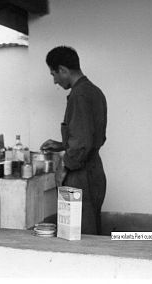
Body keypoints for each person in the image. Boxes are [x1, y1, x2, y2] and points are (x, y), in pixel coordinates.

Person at [41, 46, 107, 235]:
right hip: (94, 170)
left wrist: (63, 166)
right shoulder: (94, 91)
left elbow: (81, 144)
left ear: (63, 70)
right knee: (89, 229)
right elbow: (92, 137)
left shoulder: (79, 95)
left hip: (80, 175)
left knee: (77, 234)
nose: (54, 80)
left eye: (54, 74)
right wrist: (62, 145)